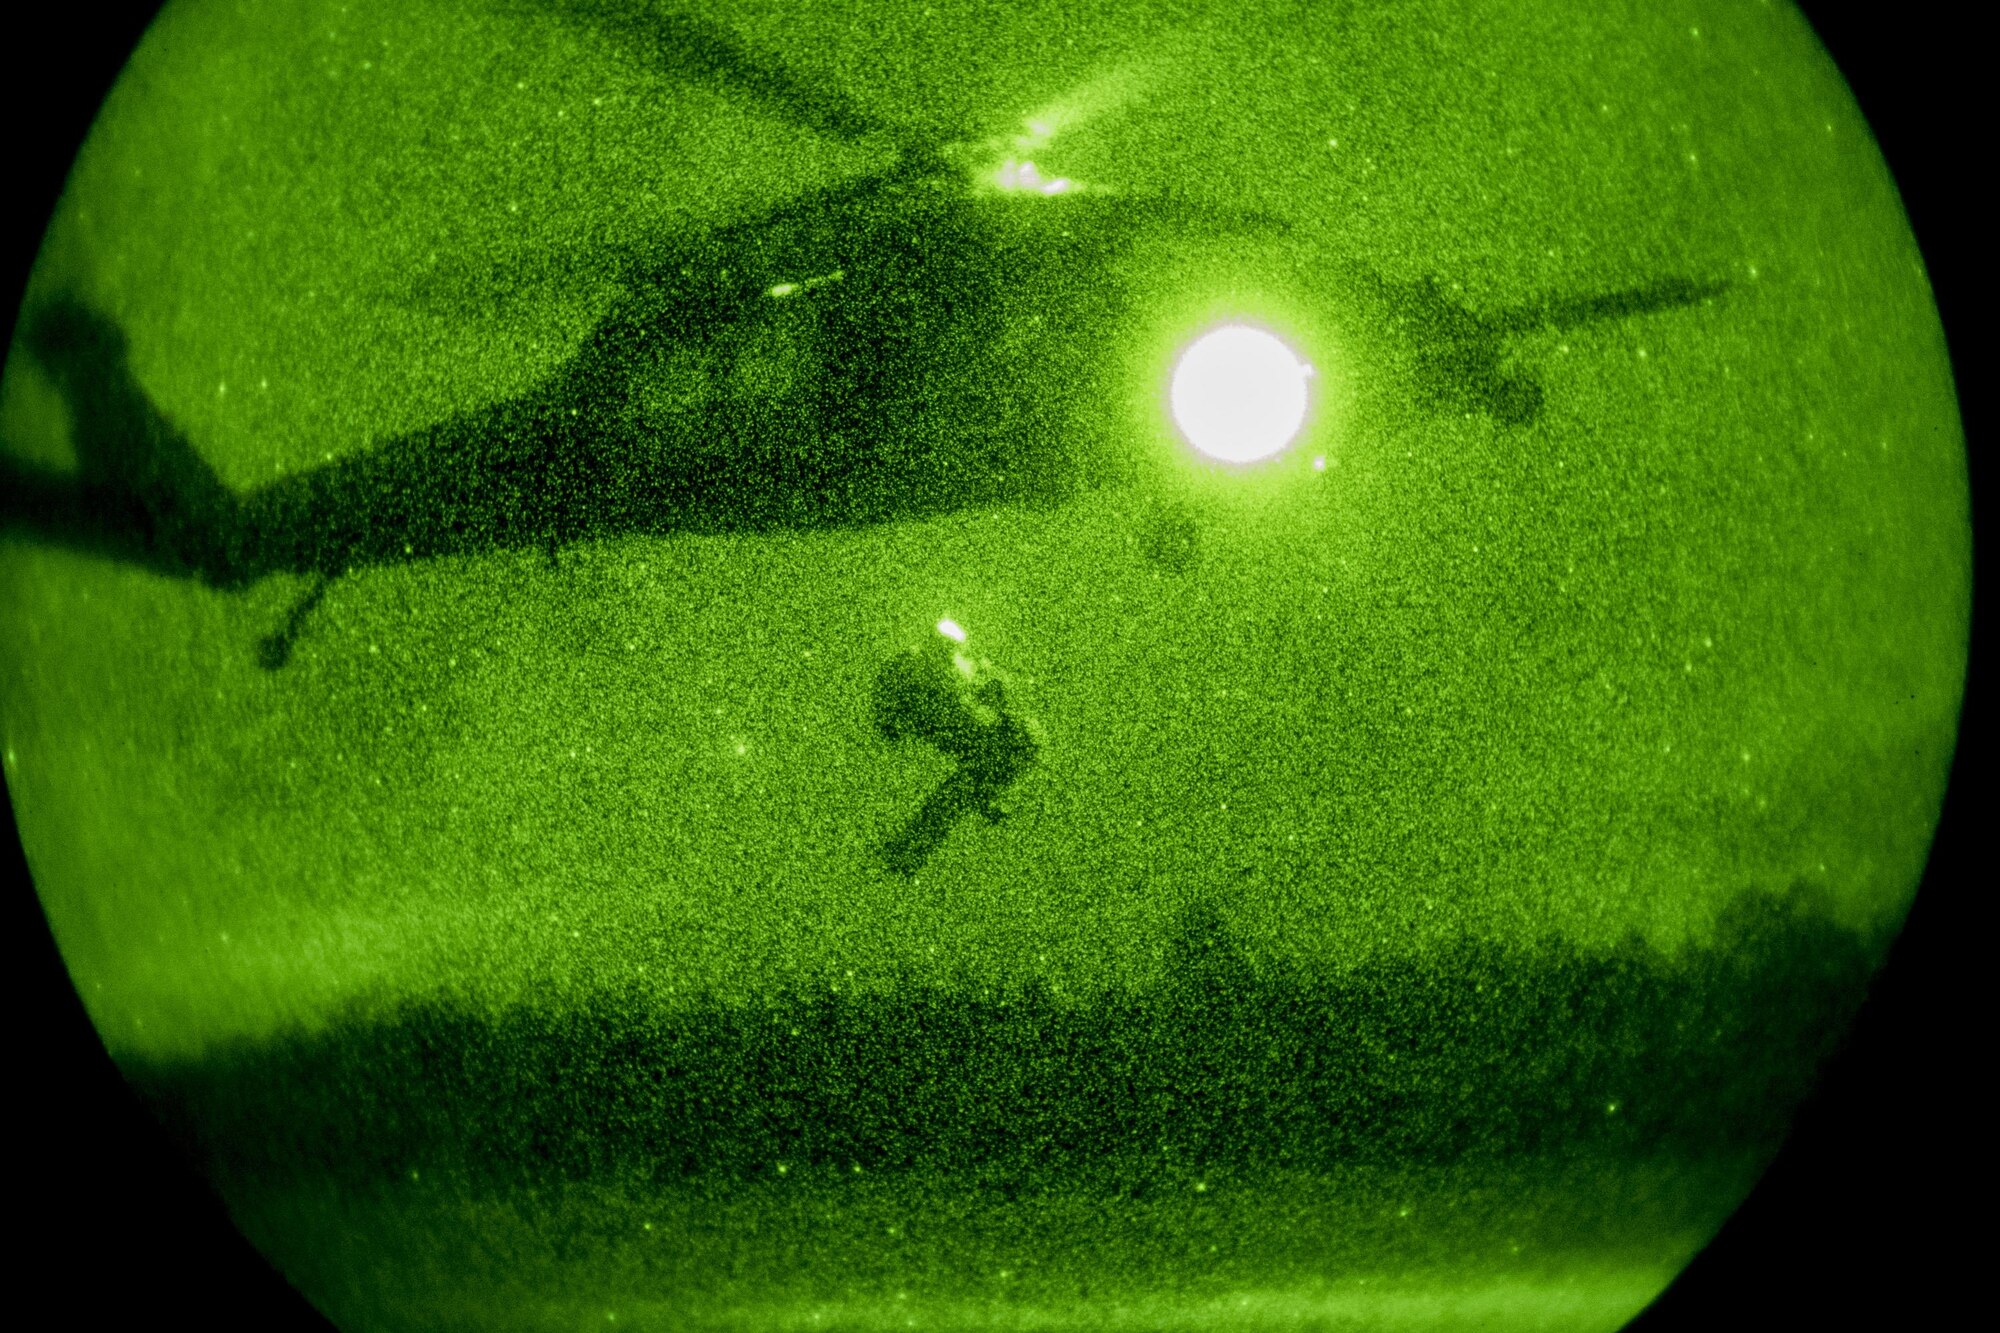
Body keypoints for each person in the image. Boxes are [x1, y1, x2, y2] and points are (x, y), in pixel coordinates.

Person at [872, 622, 1042, 875]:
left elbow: (972, 692)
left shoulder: (940, 668)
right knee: (971, 780)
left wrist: (990, 694)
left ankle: (907, 851)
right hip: (938, 716)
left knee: (968, 782)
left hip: (956, 724)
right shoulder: (916, 667)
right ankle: (907, 851)